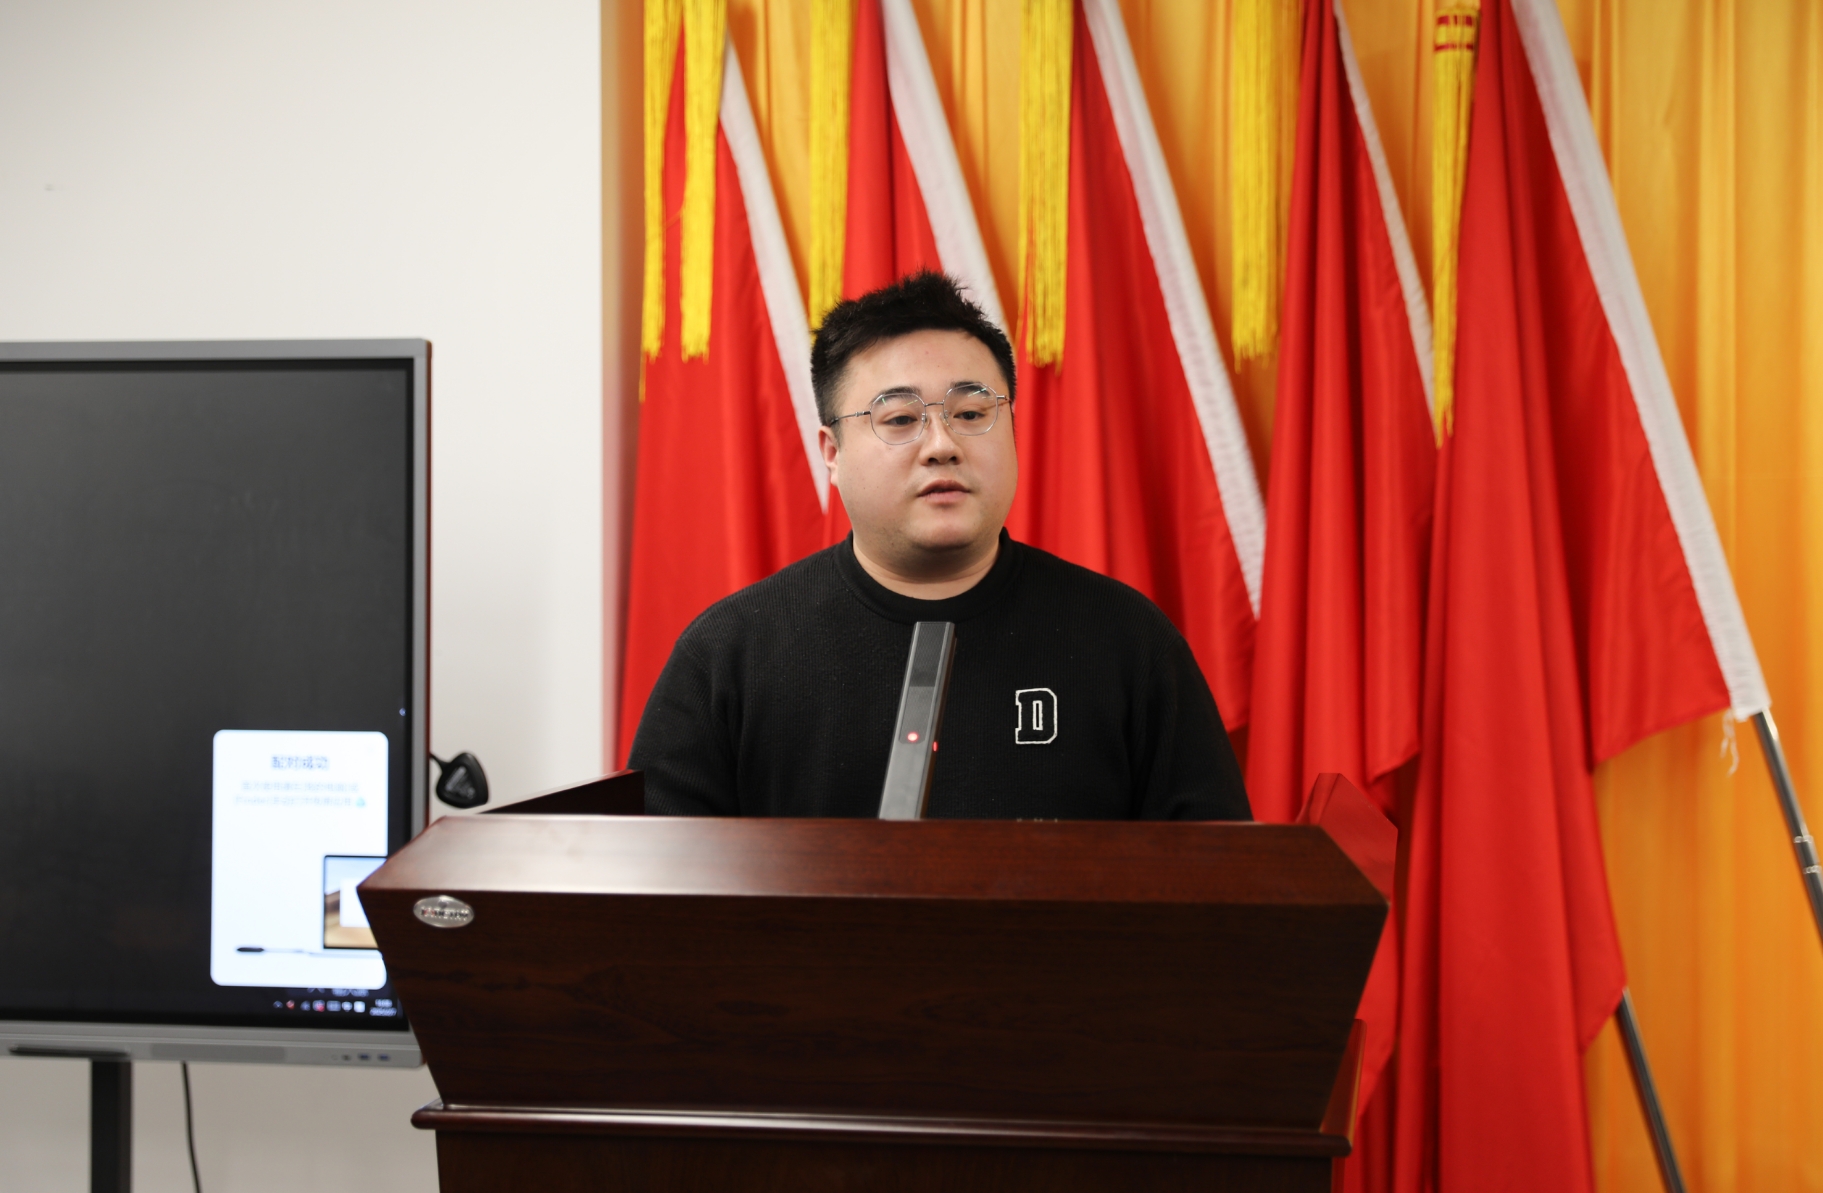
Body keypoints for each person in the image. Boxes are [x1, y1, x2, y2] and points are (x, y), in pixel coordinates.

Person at [630, 271, 1250, 820]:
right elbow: (652, 891)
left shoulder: (1127, 641)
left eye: (972, 413)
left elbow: (1217, 883)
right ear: (831, 453)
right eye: (900, 419)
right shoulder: (727, 655)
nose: (942, 445)